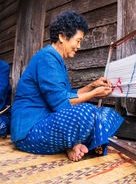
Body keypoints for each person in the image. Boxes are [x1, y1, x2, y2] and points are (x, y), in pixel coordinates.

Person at [11, 11, 124, 161]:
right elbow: (61, 103)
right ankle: (74, 144)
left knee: (105, 114)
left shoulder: (56, 61)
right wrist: (94, 93)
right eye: (78, 40)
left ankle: (71, 145)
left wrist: (92, 86)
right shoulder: (46, 58)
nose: (79, 46)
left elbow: (66, 95)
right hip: (29, 131)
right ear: (62, 37)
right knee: (88, 114)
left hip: (46, 121)